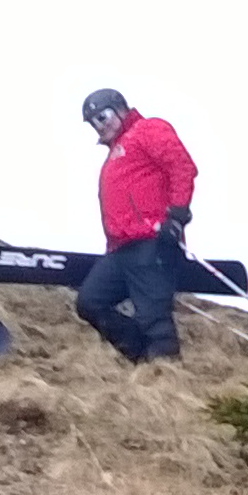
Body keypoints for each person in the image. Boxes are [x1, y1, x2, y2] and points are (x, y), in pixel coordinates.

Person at [75, 87, 196, 363]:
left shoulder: (148, 130)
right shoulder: (116, 152)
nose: (99, 125)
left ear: (120, 109)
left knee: (154, 317)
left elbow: (182, 167)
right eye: (93, 122)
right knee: (90, 302)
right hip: (120, 249)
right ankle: (143, 357)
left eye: (103, 116)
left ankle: (166, 374)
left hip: (152, 241)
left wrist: (176, 218)